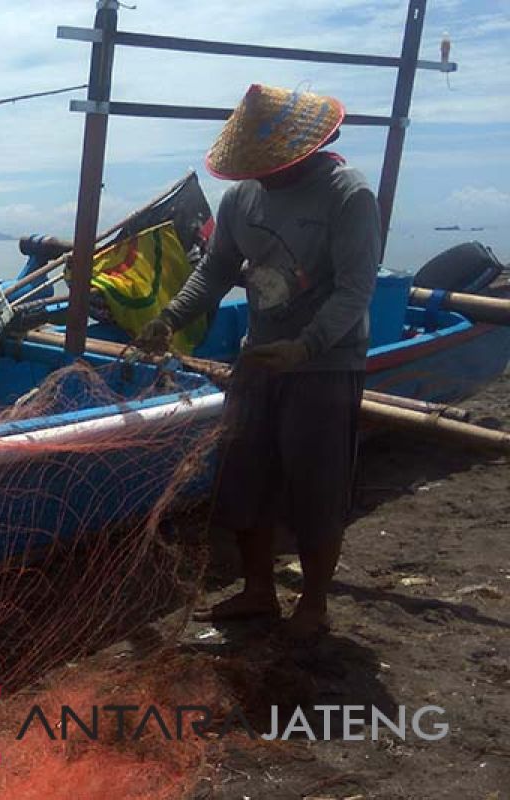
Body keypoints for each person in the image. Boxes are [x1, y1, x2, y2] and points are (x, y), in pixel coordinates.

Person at [136, 84, 382, 643]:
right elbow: (217, 270)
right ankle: (257, 591)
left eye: (272, 165)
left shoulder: (348, 195)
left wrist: (308, 345)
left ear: (303, 152)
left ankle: (314, 604)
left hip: (325, 365)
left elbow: (356, 289)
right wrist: (170, 317)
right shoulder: (242, 201)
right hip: (260, 358)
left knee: (316, 484)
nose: (263, 174)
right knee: (245, 480)